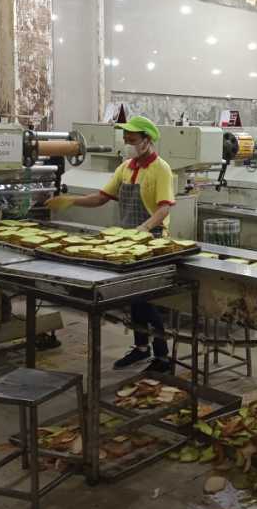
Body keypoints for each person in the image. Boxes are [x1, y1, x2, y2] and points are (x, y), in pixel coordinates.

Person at [46, 116, 175, 371]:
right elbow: (101, 198)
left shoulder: (161, 169)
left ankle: (162, 357)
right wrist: (71, 200)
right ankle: (141, 349)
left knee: (146, 299)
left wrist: (144, 228)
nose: (127, 144)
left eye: (132, 140)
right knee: (134, 297)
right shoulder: (125, 167)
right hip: (126, 239)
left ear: (147, 140)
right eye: (125, 140)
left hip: (152, 240)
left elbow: (164, 208)